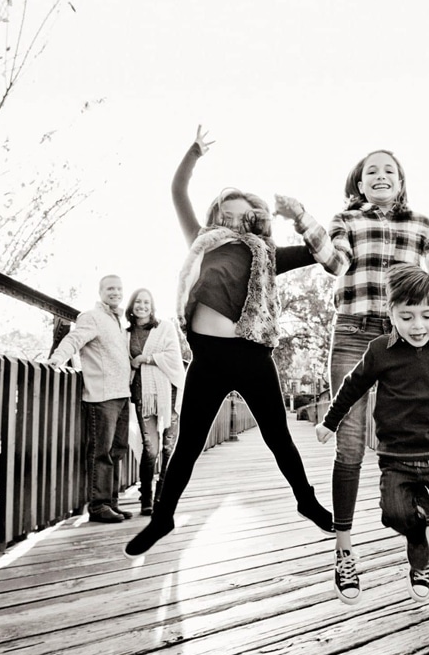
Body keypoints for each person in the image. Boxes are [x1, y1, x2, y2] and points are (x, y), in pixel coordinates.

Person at [124, 127, 335, 557]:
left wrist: (299, 216)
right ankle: (163, 516)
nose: (235, 220)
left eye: (244, 216)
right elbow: (177, 189)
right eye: (228, 214)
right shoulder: (202, 243)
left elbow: (319, 252)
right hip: (207, 358)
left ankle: (306, 501)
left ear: (255, 220)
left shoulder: (265, 254)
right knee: (188, 444)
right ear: (216, 216)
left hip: (252, 357)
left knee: (279, 436)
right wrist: (194, 152)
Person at [313, 149, 429, 604]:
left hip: (404, 340)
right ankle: (344, 551)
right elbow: (336, 264)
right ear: (359, 183)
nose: (380, 175)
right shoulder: (346, 220)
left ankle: (420, 557)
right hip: (353, 334)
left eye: (389, 170)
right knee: (350, 444)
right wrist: (305, 223)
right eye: (371, 170)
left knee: (414, 441)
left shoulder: (422, 225)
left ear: (401, 181)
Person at [317, 265, 429, 602]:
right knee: (397, 515)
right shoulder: (378, 352)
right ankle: (418, 547)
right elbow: (351, 387)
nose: (418, 326)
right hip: (396, 459)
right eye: (407, 316)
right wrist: (330, 422)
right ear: (392, 313)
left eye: (427, 315)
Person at [49, 274, 133, 523]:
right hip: (102, 395)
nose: (115, 292)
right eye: (110, 288)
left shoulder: (118, 320)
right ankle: (98, 506)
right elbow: (74, 338)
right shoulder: (91, 316)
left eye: (119, 288)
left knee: (117, 451)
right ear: (100, 292)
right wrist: (57, 358)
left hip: (122, 395)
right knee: (101, 452)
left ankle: (112, 502)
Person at [126, 287, 184, 516]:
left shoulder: (165, 328)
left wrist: (146, 358)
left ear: (152, 306)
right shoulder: (126, 334)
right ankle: (146, 498)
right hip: (143, 396)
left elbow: (173, 357)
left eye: (146, 302)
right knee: (151, 449)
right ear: (132, 306)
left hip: (168, 394)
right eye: (138, 302)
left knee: (169, 448)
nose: (142, 306)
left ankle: (162, 495)